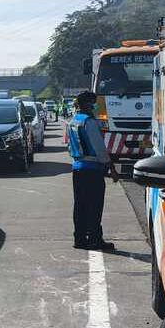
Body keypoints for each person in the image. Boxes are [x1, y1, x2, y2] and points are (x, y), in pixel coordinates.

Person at [67, 90, 117, 250]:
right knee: (94, 206)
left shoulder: (74, 120)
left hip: (77, 168)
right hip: (92, 170)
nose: (96, 107)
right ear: (88, 104)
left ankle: (79, 238)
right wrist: (110, 166)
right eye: (95, 104)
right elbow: (99, 148)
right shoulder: (89, 122)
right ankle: (95, 239)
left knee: (80, 205)